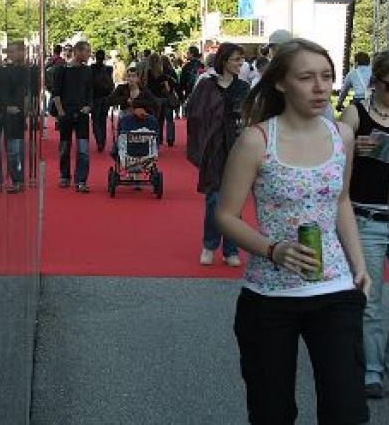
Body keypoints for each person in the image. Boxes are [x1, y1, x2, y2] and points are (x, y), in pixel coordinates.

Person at [215, 38, 370, 425]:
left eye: (327, 77)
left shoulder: (342, 136)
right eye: (306, 78)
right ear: (281, 83)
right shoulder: (256, 140)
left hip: (334, 289)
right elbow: (226, 216)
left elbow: (342, 201)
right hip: (269, 295)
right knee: (272, 412)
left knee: (346, 411)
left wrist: (359, 266)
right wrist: (273, 249)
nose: (320, 87)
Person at [339, 50, 389, 400]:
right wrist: (352, 148)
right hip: (366, 217)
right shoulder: (355, 113)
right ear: (374, 83)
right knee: (370, 299)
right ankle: (371, 370)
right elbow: (334, 157)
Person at [188, 43, 249, 267]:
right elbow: (194, 114)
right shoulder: (207, 85)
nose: (240, 63)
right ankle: (209, 245)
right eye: (236, 59)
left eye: (242, 59)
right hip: (213, 148)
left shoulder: (243, 87)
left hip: (236, 147)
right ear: (224, 61)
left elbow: (249, 115)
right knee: (213, 198)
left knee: (234, 200)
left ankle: (231, 249)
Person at [52, 41, 93, 193]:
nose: (89, 54)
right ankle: (64, 175)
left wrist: (89, 106)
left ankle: (81, 180)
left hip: (82, 114)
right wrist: (61, 112)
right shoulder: (61, 70)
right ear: (78, 52)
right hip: (66, 113)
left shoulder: (87, 70)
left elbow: (90, 91)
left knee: (83, 149)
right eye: (87, 51)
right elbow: (56, 93)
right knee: (64, 147)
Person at [0, 42, 28, 193]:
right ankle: (0, 181)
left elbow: (21, 90)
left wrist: (20, 109)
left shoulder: (22, 70)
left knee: (14, 150)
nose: (9, 55)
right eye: (8, 52)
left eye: (12, 52)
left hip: (14, 114)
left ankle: (17, 180)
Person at [145, 53, 179, 147]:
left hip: (154, 99)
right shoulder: (164, 73)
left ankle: (157, 139)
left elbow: (147, 87)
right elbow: (171, 87)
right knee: (168, 120)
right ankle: (170, 139)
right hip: (165, 98)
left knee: (155, 120)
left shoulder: (148, 73)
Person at [90, 49, 114, 152]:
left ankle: (99, 140)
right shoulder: (108, 69)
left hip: (95, 98)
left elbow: (89, 85)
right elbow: (111, 85)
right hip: (105, 98)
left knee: (96, 120)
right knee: (102, 120)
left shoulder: (91, 69)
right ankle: (102, 141)